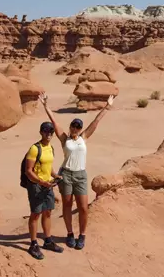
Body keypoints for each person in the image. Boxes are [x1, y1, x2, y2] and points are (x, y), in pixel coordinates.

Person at [39, 92, 114, 250]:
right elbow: (54, 121)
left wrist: (107, 106)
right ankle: (70, 233)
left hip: (80, 175)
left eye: (78, 127)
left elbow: (96, 121)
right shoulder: (64, 138)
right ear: (70, 127)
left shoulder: (84, 137)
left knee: (83, 207)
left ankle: (82, 235)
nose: (76, 128)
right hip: (66, 174)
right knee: (67, 205)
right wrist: (46, 106)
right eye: (74, 126)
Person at [25, 121, 64, 260]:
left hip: (48, 185)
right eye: (46, 131)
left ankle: (47, 241)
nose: (49, 134)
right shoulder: (35, 149)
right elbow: (28, 171)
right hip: (36, 186)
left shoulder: (50, 148)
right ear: (41, 132)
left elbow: (48, 167)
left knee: (47, 212)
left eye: (51, 131)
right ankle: (33, 244)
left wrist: (55, 176)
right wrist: (41, 182)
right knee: (36, 214)